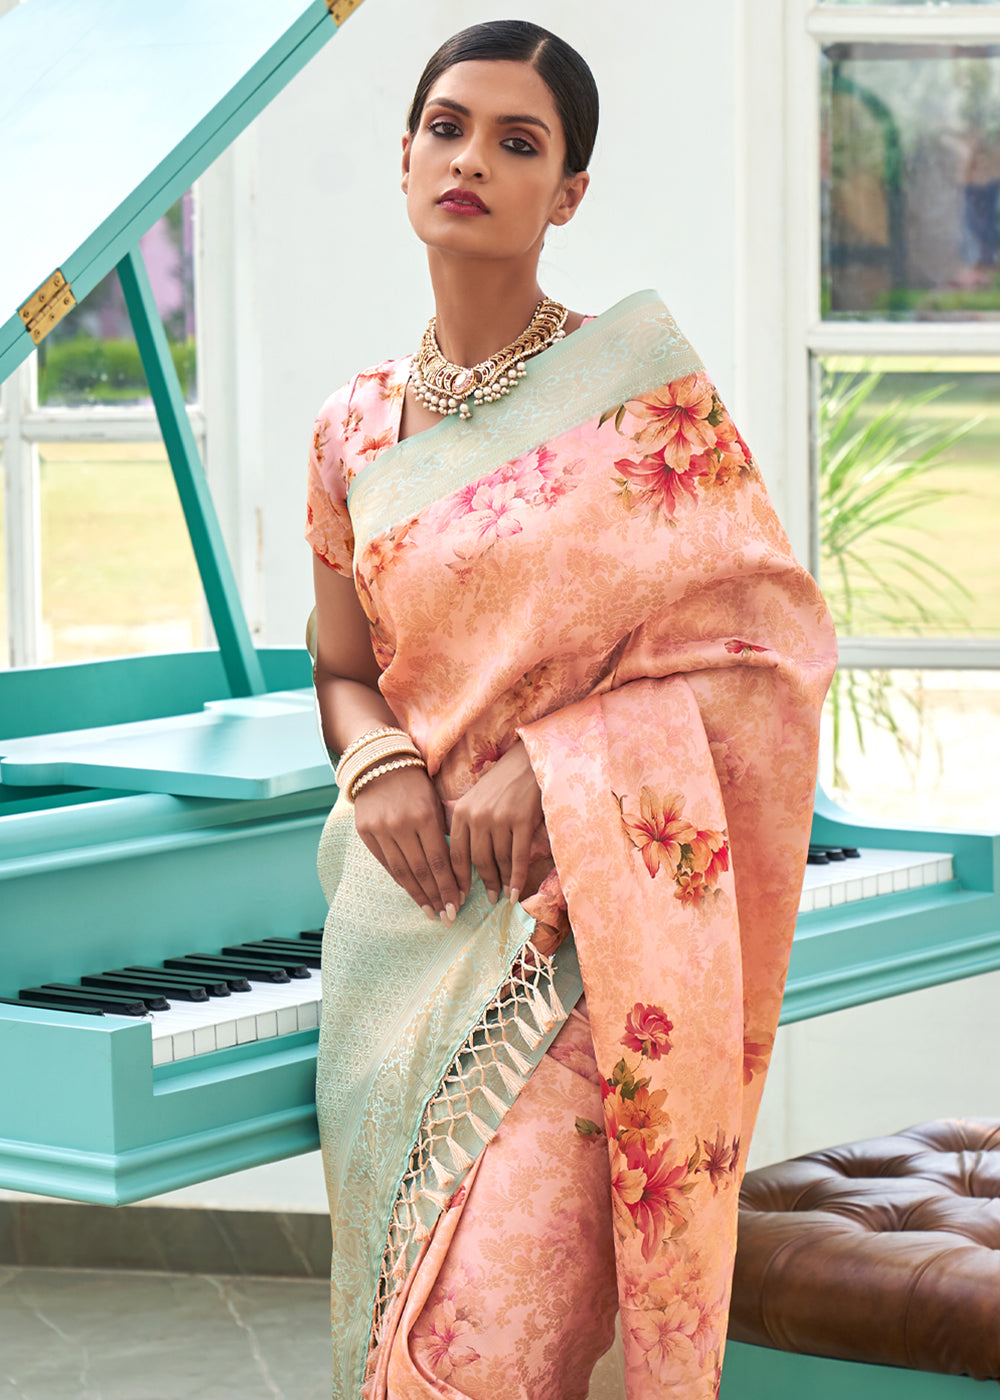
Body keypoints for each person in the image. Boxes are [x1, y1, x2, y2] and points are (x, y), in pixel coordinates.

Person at [305, 21, 836, 1400]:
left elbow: (765, 653)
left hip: (587, 930)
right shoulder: (351, 429)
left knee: (480, 1354)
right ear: (405, 157)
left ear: (569, 193)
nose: (471, 159)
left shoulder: (641, 400)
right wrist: (378, 765)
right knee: (398, 1332)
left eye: (517, 141)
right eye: (447, 127)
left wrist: (554, 767)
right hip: (408, 924)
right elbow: (340, 663)